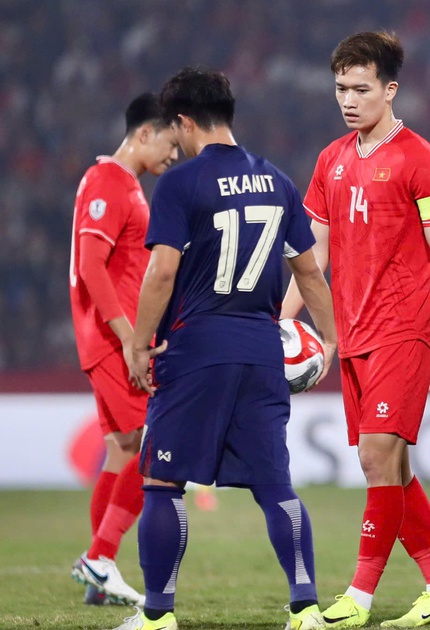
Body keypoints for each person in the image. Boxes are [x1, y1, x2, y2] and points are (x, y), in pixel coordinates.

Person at [115, 67, 337, 630]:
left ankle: (158, 615)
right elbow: (309, 273)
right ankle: (306, 609)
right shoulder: (278, 181)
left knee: (163, 481)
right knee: (274, 484)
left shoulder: (180, 184)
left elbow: (162, 274)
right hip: (263, 348)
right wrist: (330, 340)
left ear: (185, 122)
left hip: (198, 347)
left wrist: (139, 345)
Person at [279, 31, 430, 629]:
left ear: (389, 90)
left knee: (375, 457)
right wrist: (285, 319)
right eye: (341, 88)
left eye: (360, 88)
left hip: (403, 330)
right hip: (352, 335)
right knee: (395, 471)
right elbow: (314, 255)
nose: (348, 99)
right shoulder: (331, 159)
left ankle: (357, 599)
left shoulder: (419, 158)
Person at [69, 92, 178, 608]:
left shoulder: (123, 184)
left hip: (108, 340)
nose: (173, 158)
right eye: (170, 146)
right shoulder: (110, 182)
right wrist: (129, 338)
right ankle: (101, 555)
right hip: (114, 342)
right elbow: (92, 267)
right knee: (157, 445)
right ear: (144, 134)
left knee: (123, 448)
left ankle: (99, 580)